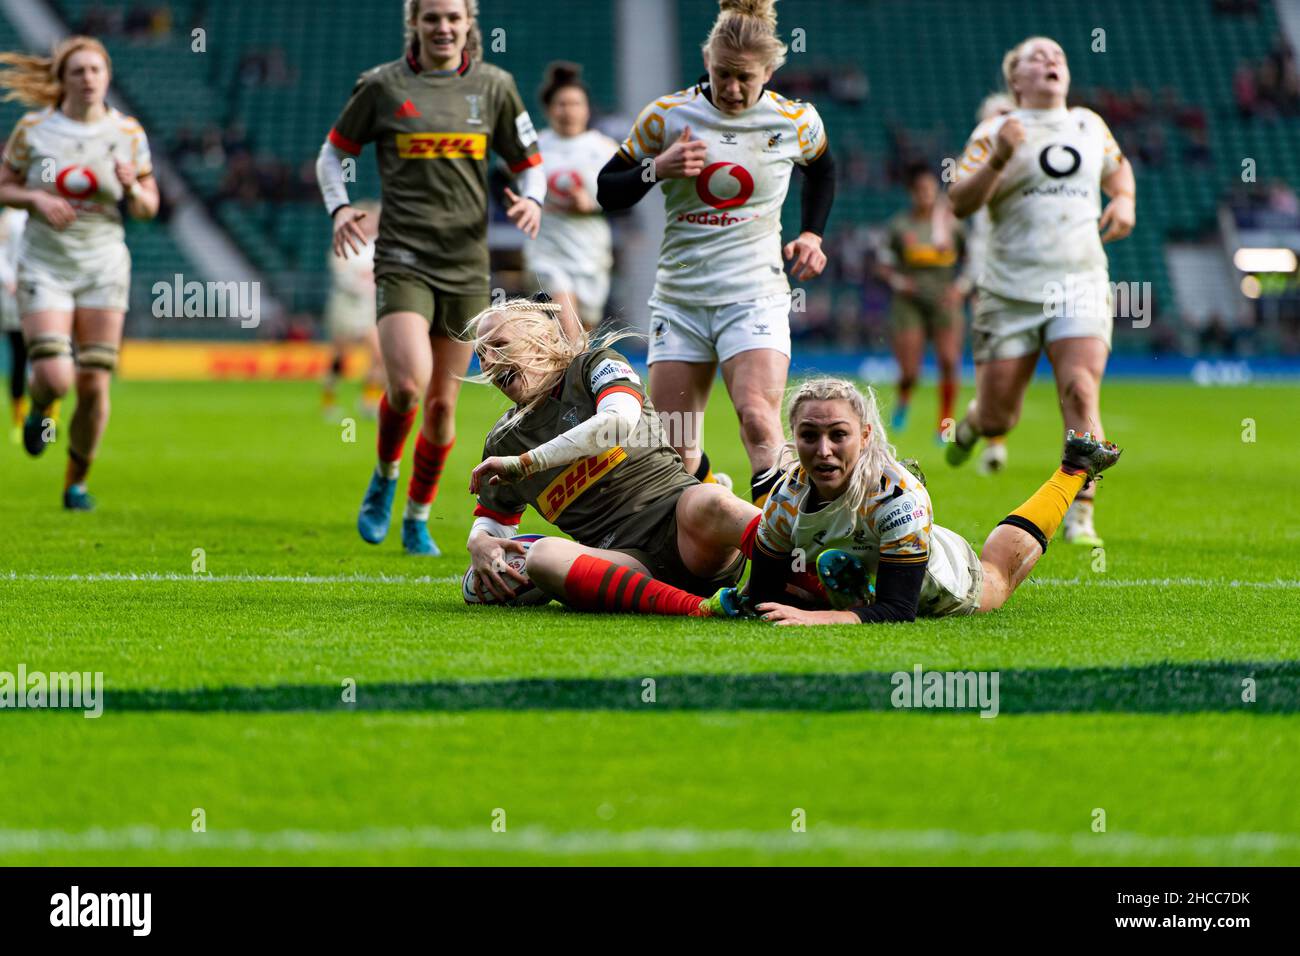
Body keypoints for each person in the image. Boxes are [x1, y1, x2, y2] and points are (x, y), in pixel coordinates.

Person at [315, 0, 546, 555]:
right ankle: (385, 475)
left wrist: (533, 199)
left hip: (466, 266)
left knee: (443, 406)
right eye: (431, 18)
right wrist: (340, 209)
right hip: (402, 258)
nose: (443, 27)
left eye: (452, 18)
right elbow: (331, 155)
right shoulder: (382, 86)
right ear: (414, 24)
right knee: (408, 385)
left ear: (468, 24)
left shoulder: (494, 86)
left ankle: (417, 516)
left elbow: (529, 160)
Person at [596, 0, 836, 507]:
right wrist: (657, 168)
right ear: (707, 61)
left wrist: (812, 234)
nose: (731, 88)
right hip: (680, 300)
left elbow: (823, 170)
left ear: (769, 71)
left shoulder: (795, 120)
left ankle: (778, 549)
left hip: (756, 294)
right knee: (675, 449)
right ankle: (713, 499)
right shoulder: (668, 116)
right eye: (722, 74)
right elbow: (607, 190)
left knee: (756, 416)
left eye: (744, 78)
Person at [716, 377, 1122, 625]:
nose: (823, 450)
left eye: (838, 435)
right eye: (809, 436)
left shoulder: (896, 494)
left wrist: (817, 616)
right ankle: (847, 582)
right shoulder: (785, 495)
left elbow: (898, 611)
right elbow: (764, 595)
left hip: (935, 577)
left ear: (865, 436)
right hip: (882, 545)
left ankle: (1072, 470)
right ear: (793, 437)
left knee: (997, 577)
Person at [945, 37, 1135, 547]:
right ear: (1016, 80)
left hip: (1080, 280)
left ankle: (1079, 512)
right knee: (998, 415)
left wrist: (1125, 200)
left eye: (1059, 56)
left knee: (1079, 387)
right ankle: (969, 427)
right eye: (1037, 57)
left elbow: (1119, 172)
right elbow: (960, 201)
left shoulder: (1090, 125)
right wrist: (1000, 157)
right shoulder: (994, 132)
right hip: (1009, 291)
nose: (1051, 61)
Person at [464, 296, 756, 614]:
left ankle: (804, 577)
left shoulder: (594, 365)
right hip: (625, 563)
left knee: (713, 500)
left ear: (542, 340)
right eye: (480, 353)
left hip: (688, 533)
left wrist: (527, 463)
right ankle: (700, 608)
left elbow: (617, 423)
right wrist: (479, 540)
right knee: (542, 557)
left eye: (499, 345)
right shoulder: (504, 441)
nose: (488, 361)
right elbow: (495, 518)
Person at [0, 36, 160, 509]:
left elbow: (150, 207)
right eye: (78, 71)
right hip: (45, 263)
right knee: (56, 377)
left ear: (107, 76)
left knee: (93, 382)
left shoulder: (128, 133)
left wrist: (134, 191)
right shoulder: (34, 130)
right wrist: (36, 198)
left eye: (96, 70)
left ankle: (76, 483)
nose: (88, 79)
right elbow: (3, 186)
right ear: (62, 79)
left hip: (103, 264)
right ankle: (41, 410)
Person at [874, 161, 965, 441]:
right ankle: (904, 399)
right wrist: (900, 283)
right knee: (910, 371)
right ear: (912, 193)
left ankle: (945, 423)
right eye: (920, 190)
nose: (926, 195)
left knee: (949, 361)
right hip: (909, 302)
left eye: (930, 189)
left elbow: (975, 259)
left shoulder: (953, 226)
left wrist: (961, 288)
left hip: (944, 299)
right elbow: (882, 265)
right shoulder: (900, 225)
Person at [526, 61, 617, 333]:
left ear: (587, 108)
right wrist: (525, 205)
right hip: (547, 251)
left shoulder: (604, 149)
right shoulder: (535, 147)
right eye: (561, 104)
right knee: (569, 330)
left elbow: (624, 200)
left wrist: (591, 206)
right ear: (548, 109)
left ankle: (568, 376)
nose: (569, 111)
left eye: (575, 104)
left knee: (581, 340)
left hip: (590, 252)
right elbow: (504, 185)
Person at [961, 92, 1014, 475]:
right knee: (996, 360)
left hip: (1037, 276)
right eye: (997, 115)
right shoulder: (978, 163)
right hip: (992, 276)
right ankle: (993, 436)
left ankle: (976, 424)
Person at [320, 200, 385, 420]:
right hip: (346, 305)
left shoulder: (380, 245)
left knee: (379, 355)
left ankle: (368, 401)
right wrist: (364, 282)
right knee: (340, 356)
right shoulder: (345, 244)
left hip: (369, 307)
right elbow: (343, 277)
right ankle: (329, 400)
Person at [0, 206, 28, 442]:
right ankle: (19, 423)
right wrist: (8, 279)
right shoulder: (9, 216)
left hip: (44, 297)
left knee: (47, 360)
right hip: (13, 300)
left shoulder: (43, 209)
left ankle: (48, 420)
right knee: (19, 361)